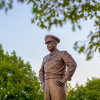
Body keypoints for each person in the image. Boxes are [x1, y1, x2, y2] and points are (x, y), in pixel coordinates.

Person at [39, 35, 77, 100]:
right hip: (47, 86)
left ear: (55, 43)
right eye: (46, 43)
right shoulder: (45, 58)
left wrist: (65, 79)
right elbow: (41, 72)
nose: (47, 45)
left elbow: (72, 64)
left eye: (49, 43)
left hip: (57, 84)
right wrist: (42, 83)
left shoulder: (62, 54)